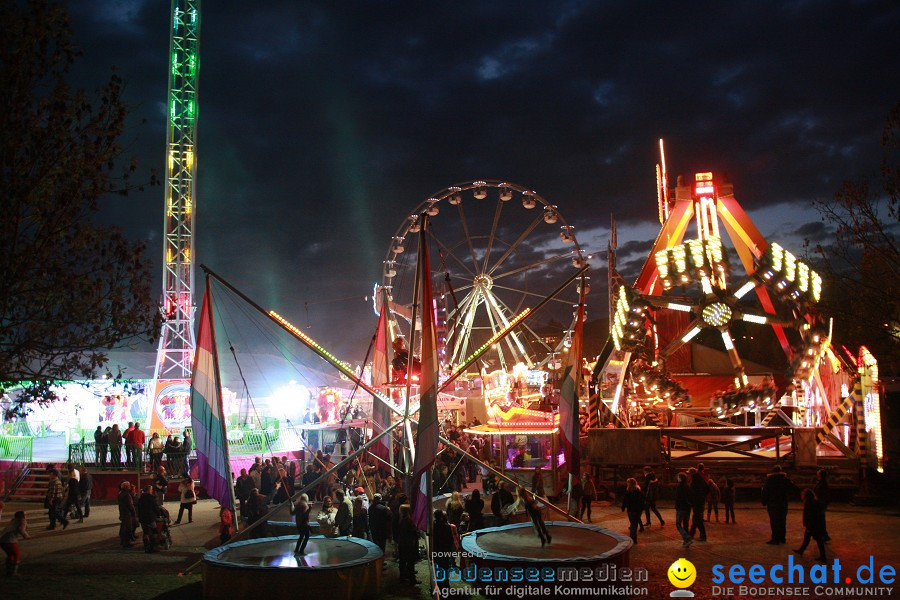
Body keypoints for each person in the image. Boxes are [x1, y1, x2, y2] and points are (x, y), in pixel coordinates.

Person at [761, 464, 798, 545]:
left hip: (773, 503)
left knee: (774, 521)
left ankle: (775, 538)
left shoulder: (769, 480)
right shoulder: (785, 479)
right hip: (783, 503)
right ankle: (782, 538)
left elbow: (765, 492)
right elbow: (794, 488)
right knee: (782, 520)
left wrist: (764, 502)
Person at [794, 489, 827, 562]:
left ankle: (823, 556)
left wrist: (808, 526)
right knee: (808, 538)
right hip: (815, 524)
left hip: (813, 525)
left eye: (802, 495)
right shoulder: (814, 502)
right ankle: (801, 550)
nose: (801, 496)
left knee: (818, 540)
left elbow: (810, 516)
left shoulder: (809, 504)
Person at [396, 504, 420, 584]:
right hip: (408, 544)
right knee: (410, 562)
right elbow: (413, 533)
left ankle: (403, 577)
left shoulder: (401, 520)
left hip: (402, 543)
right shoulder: (408, 521)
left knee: (403, 561)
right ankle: (411, 579)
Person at [433, 510, 455, 594]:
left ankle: (437, 584)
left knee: (437, 566)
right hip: (444, 549)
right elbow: (450, 539)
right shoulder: (446, 526)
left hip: (436, 549)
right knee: (445, 567)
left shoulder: (433, 526)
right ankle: (445, 585)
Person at [1, 511, 30, 576]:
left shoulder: (13, 521)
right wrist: (26, 536)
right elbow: (21, 530)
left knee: (10, 555)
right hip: (10, 540)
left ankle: (9, 570)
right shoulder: (22, 521)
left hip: (3, 539)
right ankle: (14, 572)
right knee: (16, 555)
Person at [137, 485, 163, 552]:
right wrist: (159, 514)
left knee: (145, 532)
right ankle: (152, 547)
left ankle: (146, 547)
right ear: (148, 490)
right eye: (151, 490)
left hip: (142, 518)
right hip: (150, 517)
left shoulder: (140, 498)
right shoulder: (151, 498)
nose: (152, 491)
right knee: (154, 532)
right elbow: (155, 507)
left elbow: (138, 508)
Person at [621, 477, 644, 544]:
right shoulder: (638, 491)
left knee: (633, 524)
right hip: (637, 509)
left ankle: (632, 539)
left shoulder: (628, 491)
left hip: (631, 509)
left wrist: (623, 507)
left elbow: (624, 500)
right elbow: (642, 499)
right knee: (634, 524)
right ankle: (634, 539)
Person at [688, 466, 708, 541]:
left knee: (697, 519)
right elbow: (707, 488)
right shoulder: (700, 479)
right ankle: (692, 533)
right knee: (696, 518)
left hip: (697, 503)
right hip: (700, 502)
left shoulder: (695, 481)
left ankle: (702, 536)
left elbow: (693, 492)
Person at [674, 472, 693, 547]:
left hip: (681, 507)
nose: (677, 478)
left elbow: (678, 498)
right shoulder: (688, 486)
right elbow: (691, 496)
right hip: (687, 507)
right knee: (686, 524)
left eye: (678, 477)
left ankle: (687, 538)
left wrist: (677, 506)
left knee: (678, 524)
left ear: (681, 478)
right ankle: (686, 541)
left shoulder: (679, 486)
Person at [117, 481, 138, 548]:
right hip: (127, 513)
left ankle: (123, 541)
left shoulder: (120, 493)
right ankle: (126, 543)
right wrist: (134, 513)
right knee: (128, 528)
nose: (129, 487)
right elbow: (130, 505)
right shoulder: (127, 495)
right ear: (126, 487)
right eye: (128, 486)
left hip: (123, 512)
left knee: (123, 527)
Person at [814, 469, 830, 541]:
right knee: (820, 519)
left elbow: (822, 495)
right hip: (820, 504)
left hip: (820, 504)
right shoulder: (822, 483)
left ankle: (823, 535)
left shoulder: (822, 484)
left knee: (820, 520)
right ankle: (822, 534)